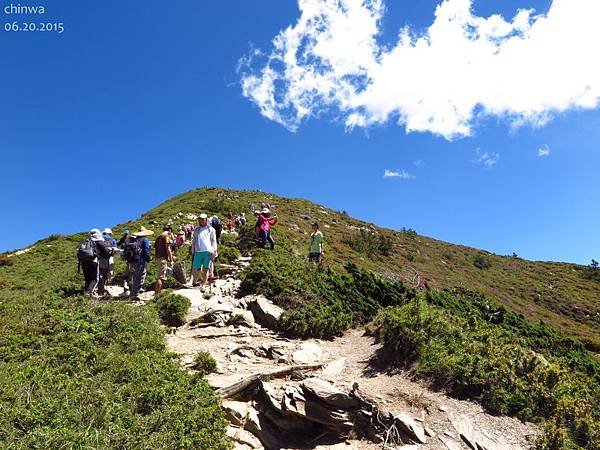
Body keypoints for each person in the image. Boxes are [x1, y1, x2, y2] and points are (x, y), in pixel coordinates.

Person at [190, 214, 217, 289]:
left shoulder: (211, 229)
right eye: (199, 219)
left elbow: (213, 241)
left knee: (206, 268)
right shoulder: (196, 229)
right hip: (198, 251)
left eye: (202, 219)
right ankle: (191, 282)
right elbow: (194, 241)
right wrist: (193, 250)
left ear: (206, 220)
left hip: (208, 250)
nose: (200, 221)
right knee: (194, 267)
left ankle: (204, 283)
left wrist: (214, 250)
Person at [77, 229, 105, 297]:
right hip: (93, 261)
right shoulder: (98, 242)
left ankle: (86, 292)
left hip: (84, 261)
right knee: (95, 278)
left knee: (87, 278)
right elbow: (105, 252)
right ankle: (89, 292)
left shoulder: (86, 241)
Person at [130, 226, 153, 297]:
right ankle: (134, 293)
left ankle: (134, 290)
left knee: (135, 276)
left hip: (133, 260)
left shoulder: (135, 240)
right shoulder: (145, 240)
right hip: (140, 260)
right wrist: (148, 258)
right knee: (139, 276)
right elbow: (146, 250)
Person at [154, 225, 174, 294]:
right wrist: (171, 260)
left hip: (157, 258)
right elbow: (168, 249)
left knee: (160, 275)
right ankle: (157, 295)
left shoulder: (158, 236)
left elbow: (155, 247)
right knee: (161, 277)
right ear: (170, 230)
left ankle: (157, 292)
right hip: (162, 258)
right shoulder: (167, 236)